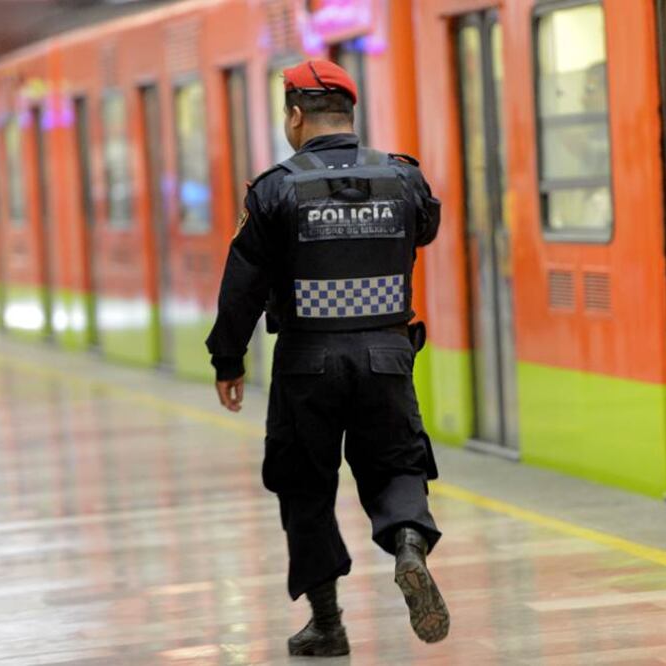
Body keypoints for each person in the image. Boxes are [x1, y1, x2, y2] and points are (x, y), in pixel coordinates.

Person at [204, 59, 447, 657]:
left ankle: (328, 623)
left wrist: (227, 360)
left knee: (304, 486)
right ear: (350, 113)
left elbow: (242, 289)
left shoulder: (275, 188)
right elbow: (425, 232)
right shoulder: (402, 178)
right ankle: (409, 540)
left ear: (294, 115)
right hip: (388, 354)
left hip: (307, 359)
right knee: (397, 464)